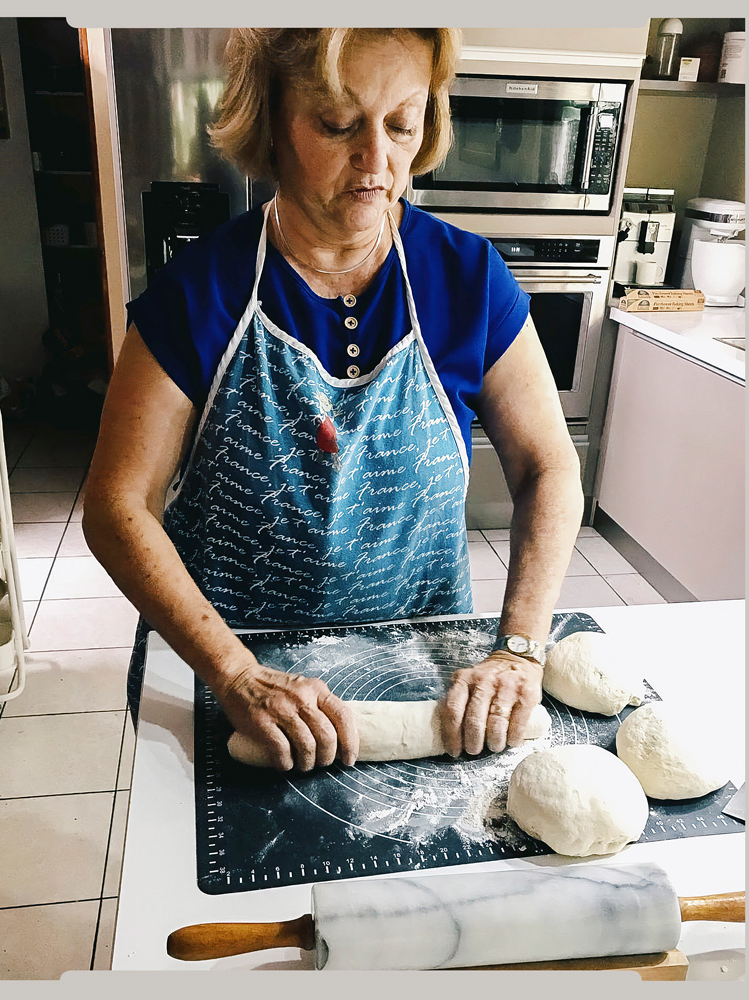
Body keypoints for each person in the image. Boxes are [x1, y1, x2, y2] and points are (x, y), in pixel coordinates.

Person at [82, 28, 583, 772]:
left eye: (401, 124)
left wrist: (517, 647)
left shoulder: (465, 279)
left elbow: (548, 467)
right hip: (242, 686)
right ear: (271, 125)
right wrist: (235, 672)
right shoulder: (200, 294)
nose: (377, 160)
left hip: (423, 682)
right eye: (338, 124)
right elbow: (117, 506)